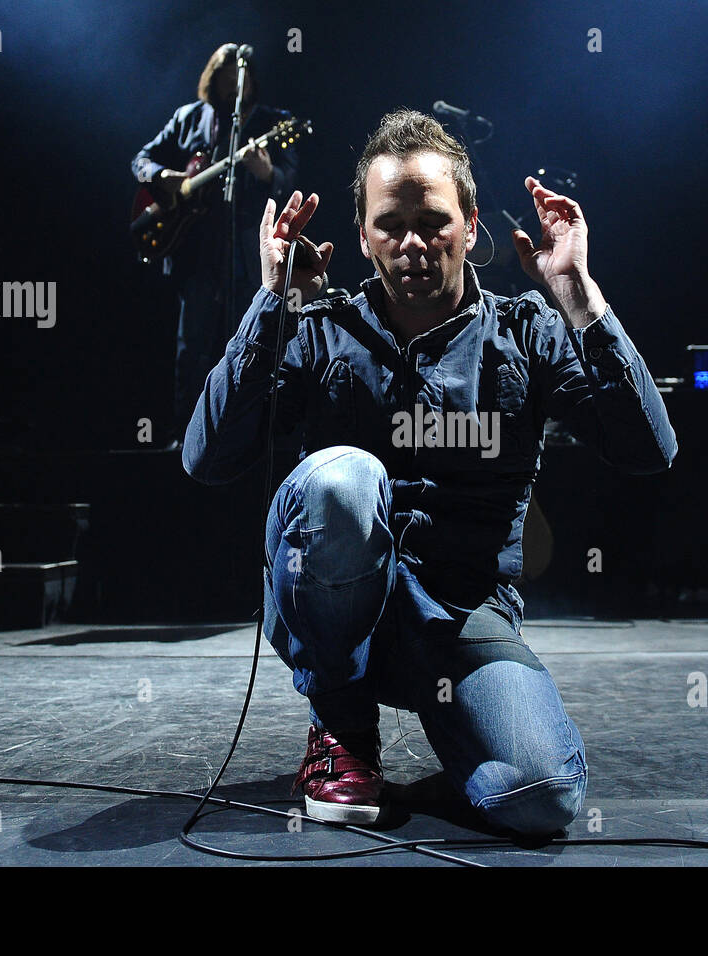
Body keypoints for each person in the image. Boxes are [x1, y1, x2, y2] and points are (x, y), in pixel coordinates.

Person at [182, 110, 678, 836]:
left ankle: (445, 755)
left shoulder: (527, 332)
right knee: (342, 478)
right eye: (391, 224)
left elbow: (648, 450)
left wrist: (576, 293)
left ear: (471, 226)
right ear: (362, 237)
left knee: (541, 799)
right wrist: (274, 303)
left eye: (434, 221)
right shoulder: (319, 330)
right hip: (336, 614)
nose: (413, 243)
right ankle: (342, 727)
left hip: (464, 620)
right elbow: (207, 455)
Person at [131, 42, 299, 448]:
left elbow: (288, 178)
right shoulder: (188, 118)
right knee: (193, 344)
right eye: (224, 79)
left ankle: (242, 434)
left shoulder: (272, 123)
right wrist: (163, 175)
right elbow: (141, 159)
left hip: (244, 247)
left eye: (238, 80)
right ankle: (183, 436)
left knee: (246, 337)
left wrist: (266, 172)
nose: (232, 87)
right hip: (195, 246)